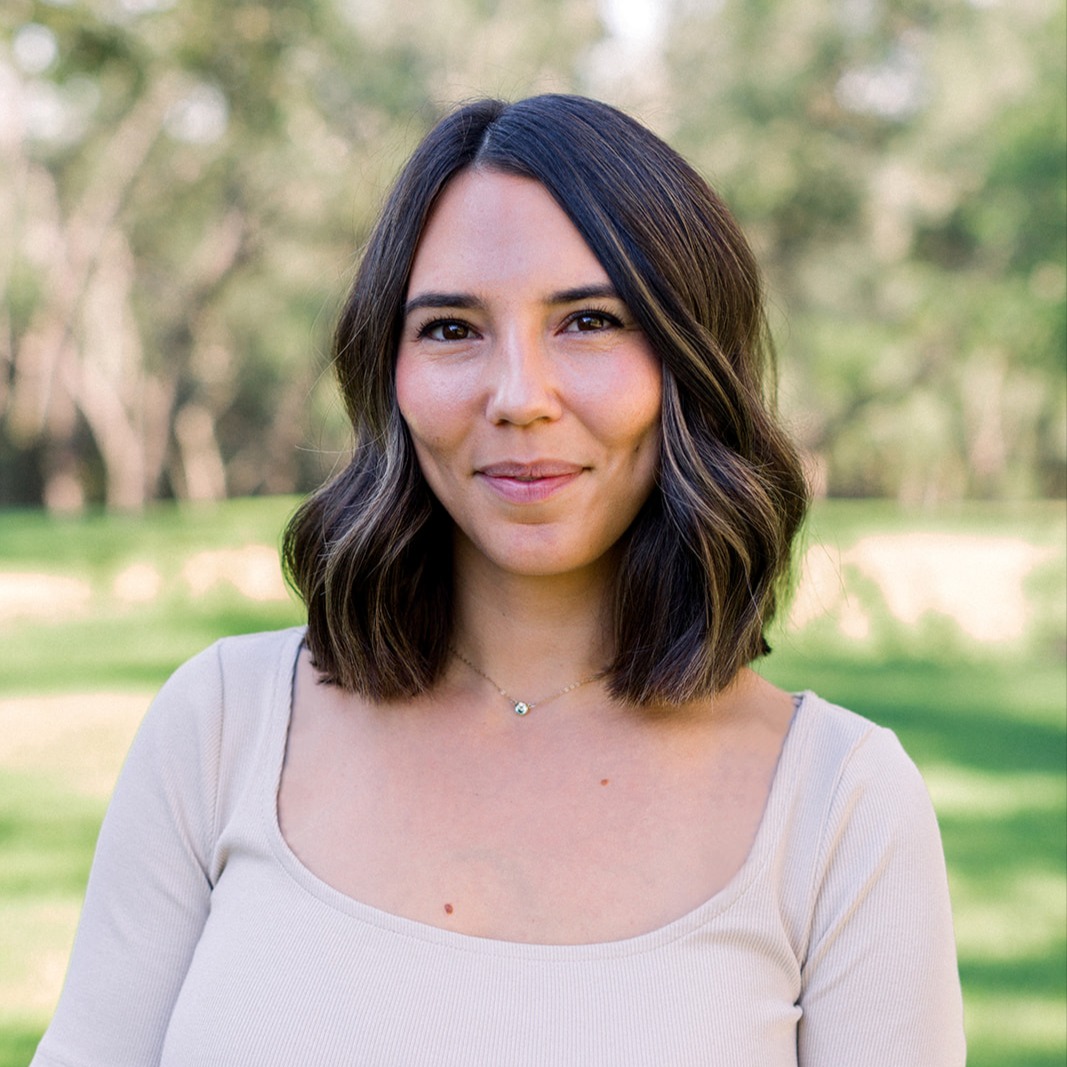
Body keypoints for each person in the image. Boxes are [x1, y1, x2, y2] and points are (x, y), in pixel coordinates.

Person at [32, 94, 965, 1066]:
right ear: (385, 370)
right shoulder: (220, 729)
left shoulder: (839, 806)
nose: (518, 396)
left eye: (590, 320)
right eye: (449, 329)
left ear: (689, 362)